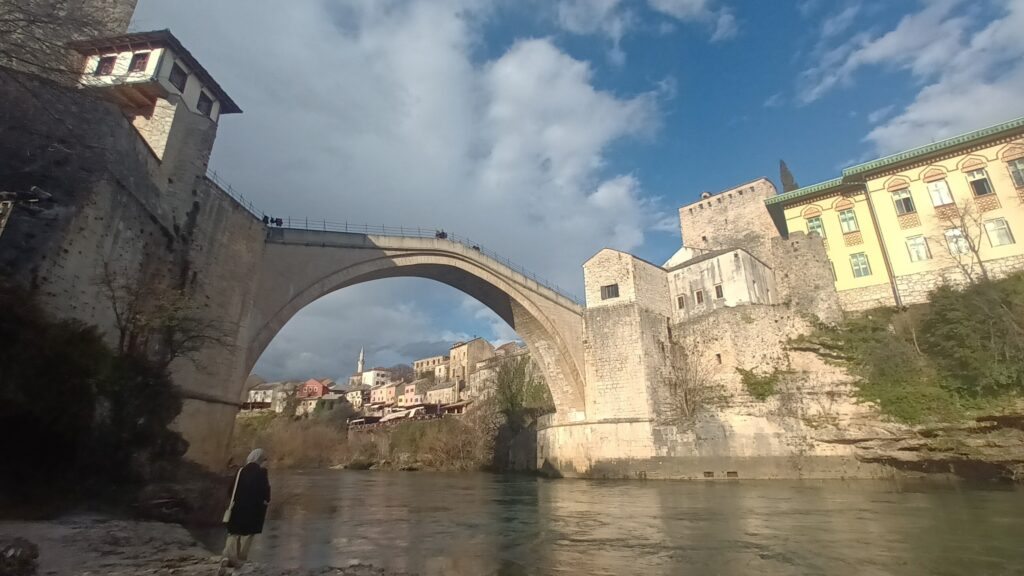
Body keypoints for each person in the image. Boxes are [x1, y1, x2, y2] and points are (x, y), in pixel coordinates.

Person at [220, 449, 271, 574]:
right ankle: (240, 561)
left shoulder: (240, 471)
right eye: (264, 460)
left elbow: (230, 490)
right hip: (253, 510)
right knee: (247, 536)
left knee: (233, 533)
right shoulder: (261, 473)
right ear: (260, 460)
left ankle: (228, 557)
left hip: (237, 508)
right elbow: (265, 493)